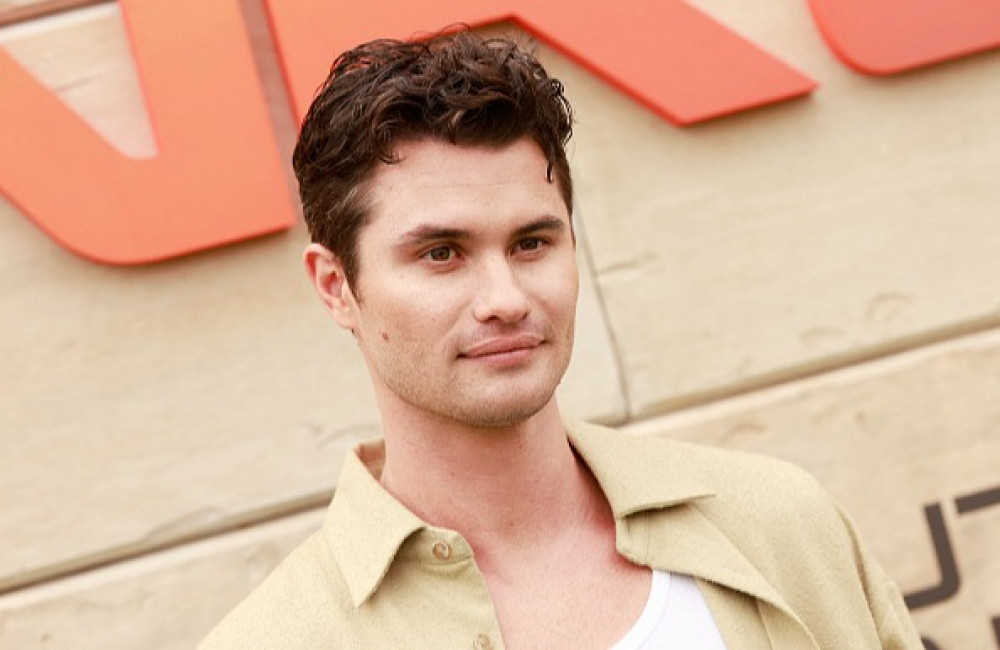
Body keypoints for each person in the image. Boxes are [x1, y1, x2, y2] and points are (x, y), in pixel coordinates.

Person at [201, 30, 922, 649]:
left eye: (531, 243)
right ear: (336, 287)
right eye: (441, 253)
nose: (506, 300)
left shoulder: (778, 521)